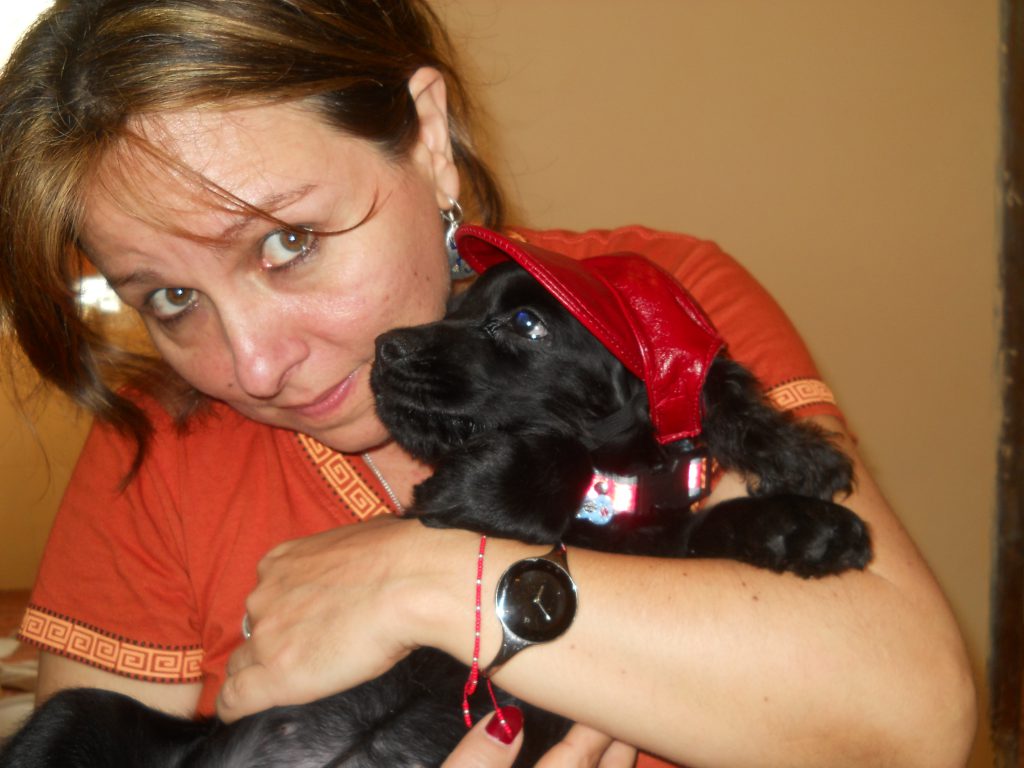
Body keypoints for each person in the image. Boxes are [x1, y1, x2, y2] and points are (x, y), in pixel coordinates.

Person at [0, 1, 976, 766]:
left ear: (429, 137)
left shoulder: (636, 305)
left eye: (288, 241)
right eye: (171, 298)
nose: (251, 365)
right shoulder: (158, 440)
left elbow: (909, 719)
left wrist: (427, 584)